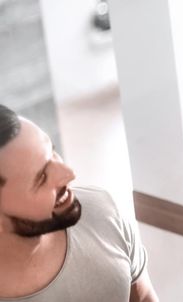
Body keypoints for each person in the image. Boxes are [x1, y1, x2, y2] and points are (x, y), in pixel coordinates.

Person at [0, 105, 159, 302]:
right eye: (41, 178)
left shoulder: (101, 211)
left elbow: (143, 298)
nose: (69, 174)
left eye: (53, 153)